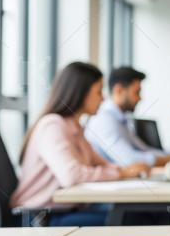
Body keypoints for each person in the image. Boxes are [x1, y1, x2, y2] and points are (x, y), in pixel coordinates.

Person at [11, 62, 149, 226]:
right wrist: (121, 173)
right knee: (136, 219)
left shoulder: (75, 127)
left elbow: (101, 163)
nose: (103, 98)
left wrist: (123, 171)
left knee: (138, 214)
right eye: (98, 92)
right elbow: (72, 176)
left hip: (66, 210)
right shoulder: (52, 125)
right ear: (81, 93)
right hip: (42, 217)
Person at [86, 66, 170, 167]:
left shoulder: (123, 119)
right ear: (119, 90)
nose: (140, 98)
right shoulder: (102, 119)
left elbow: (144, 149)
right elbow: (129, 161)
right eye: (136, 92)